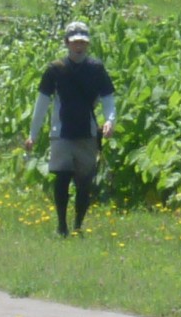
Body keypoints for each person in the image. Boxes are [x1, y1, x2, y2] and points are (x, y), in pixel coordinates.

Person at [26, 21, 117, 238]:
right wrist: (33, 134)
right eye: (75, 42)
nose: (79, 46)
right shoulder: (55, 69)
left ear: (88, 44)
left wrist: (110, 120)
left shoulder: (96, 68)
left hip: (87, 132)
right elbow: (42, 103)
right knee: (62, 177)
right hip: (61, 133)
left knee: (84, 182)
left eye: (83, 42)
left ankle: (77, 224)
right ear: (67, 43)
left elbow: (108, 99)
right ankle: (61, 225)